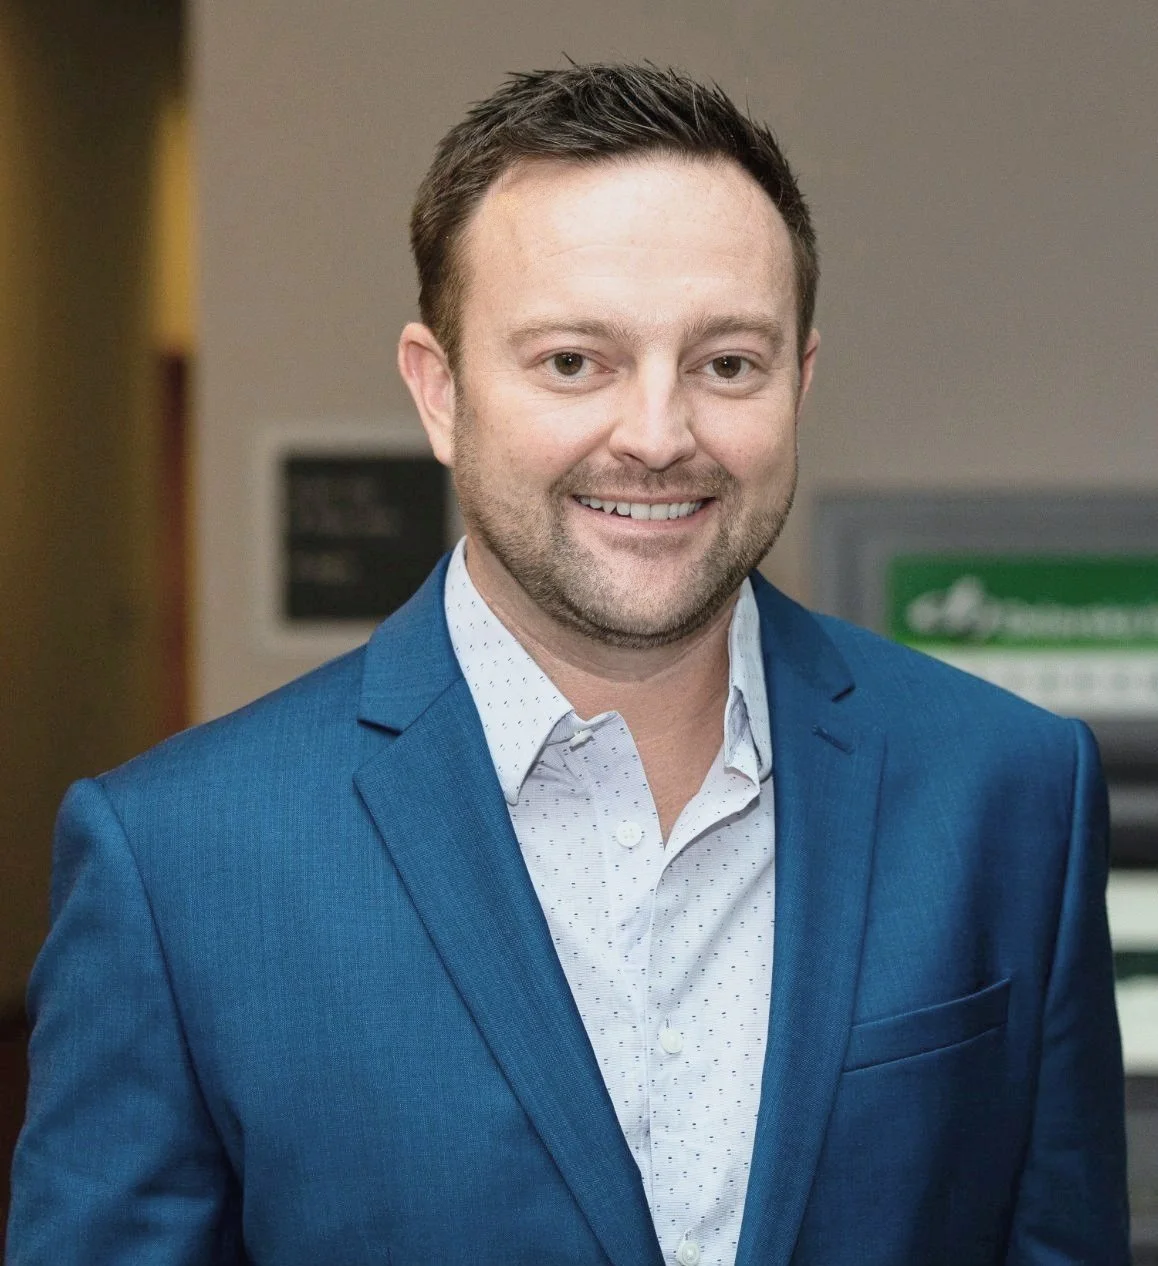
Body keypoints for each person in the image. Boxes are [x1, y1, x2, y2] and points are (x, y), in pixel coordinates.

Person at [7, 63, 1129, 1266]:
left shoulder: (1011, 791)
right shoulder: (179, 862)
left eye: (727, 363)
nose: (657, 436)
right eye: (573, 362)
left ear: (799, 381)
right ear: (440, 392)